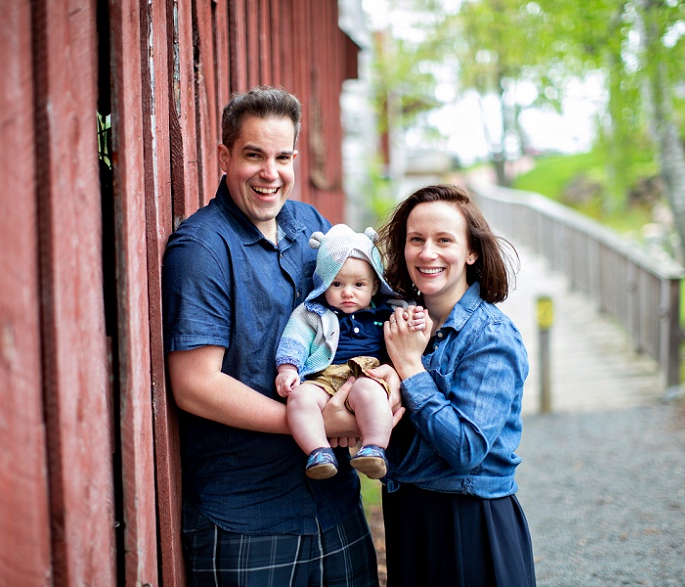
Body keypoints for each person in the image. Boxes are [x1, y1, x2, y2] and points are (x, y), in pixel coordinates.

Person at [162, 86, 392, 586]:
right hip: (249, 518)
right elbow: (194, 385)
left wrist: (387, 383)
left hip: (335, 507)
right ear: (224, 157)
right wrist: (316, 422)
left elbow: (360, 311)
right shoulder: (201, 248)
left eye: (283, 156)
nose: (271, 173)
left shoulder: (309, 225)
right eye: (253, 156)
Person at [378, 183, 537, 586]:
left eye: (443, 240)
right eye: (416, 240)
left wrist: (412, 369)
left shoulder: (491, 337)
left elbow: (466, 447)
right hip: (409, 516)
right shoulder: (399, 326)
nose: (427, 253)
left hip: (470, 523)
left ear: (471, 252)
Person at [275, 224, 424, 481]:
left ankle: (374, 448)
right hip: (323, 376)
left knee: (370, 393)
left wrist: (414, 318)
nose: (348, 292)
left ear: (374, 286)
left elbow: (407, 326)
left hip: (368, 374)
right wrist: (288, 369)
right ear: (322, 284)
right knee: (299, 399)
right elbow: (295, 339)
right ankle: (318, 452)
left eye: (359, 284)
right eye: (337, 283)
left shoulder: (384, 314)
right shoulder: (314, 313)